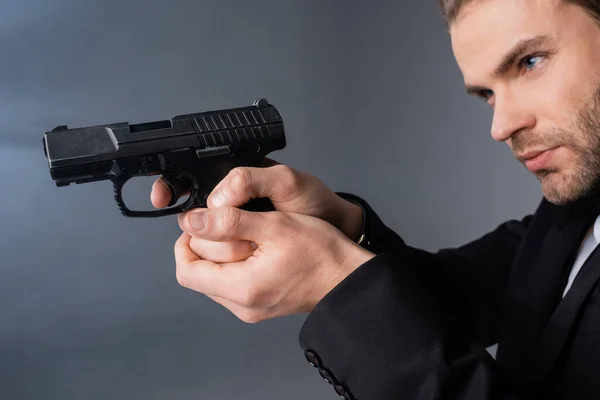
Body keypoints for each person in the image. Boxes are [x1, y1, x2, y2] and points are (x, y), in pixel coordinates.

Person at [150, 0, 600, 398]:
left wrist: (338, 287)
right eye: (486, 93)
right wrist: (343, 229)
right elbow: (468, 296)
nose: (501, 125)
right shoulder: (575, 212)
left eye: (530, 61)